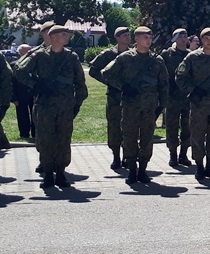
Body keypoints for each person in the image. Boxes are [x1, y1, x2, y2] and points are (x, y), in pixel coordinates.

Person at [15, 25, 88, 188]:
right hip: (45, 106)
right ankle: (48, 173)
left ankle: (61, 172)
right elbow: (19, 70)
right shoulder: (39, 56)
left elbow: (80, 82)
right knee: (46, 139)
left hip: (65, 106)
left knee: (64, 139)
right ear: (53, 36)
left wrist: (77, 103)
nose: (66, 36)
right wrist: (36, 85)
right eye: (63, 34)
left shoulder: (72, 56)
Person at [101, 26, 169, 184]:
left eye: (150, 37)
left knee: (147, 138)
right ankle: (132, 169)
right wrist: (122, 87)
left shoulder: (157, 60)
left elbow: (164, 85)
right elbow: (106, 73)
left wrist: (161, 105)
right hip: (130, 105)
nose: (149, 40)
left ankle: (143, 169)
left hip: (149, 107)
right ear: (136, 39)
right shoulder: (125, 58)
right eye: (145, 37)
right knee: (130, 137)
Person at [175, 28, 210, 181]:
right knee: (198, 135)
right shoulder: (192, 58)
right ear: (201, 40)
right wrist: (192, 91)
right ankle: (199, 166)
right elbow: (179, 76)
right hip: (199, 104)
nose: (209, 41)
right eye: (206, 38)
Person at [89, 26, 131, 170]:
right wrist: (110, 82)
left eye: (128, 35)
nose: (127, 37)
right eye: (124, 35)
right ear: (117, 38)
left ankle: (128, 156)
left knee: (130, 126)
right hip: (114, 96)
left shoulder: (134, 54)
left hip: (132, 97)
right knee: (114, 126)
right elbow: (93, 70)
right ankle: (116, 156)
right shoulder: (108, 54)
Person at [161, 28, 193, 167]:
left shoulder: (191, 56)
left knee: (187, 127)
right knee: (172, 126)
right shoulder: (166, 54)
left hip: (186, 97)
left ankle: (183, 154)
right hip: (172, 97)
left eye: (185, 36)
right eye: (179, 36)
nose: (182, 39)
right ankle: (173, 154)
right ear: (174, 38)